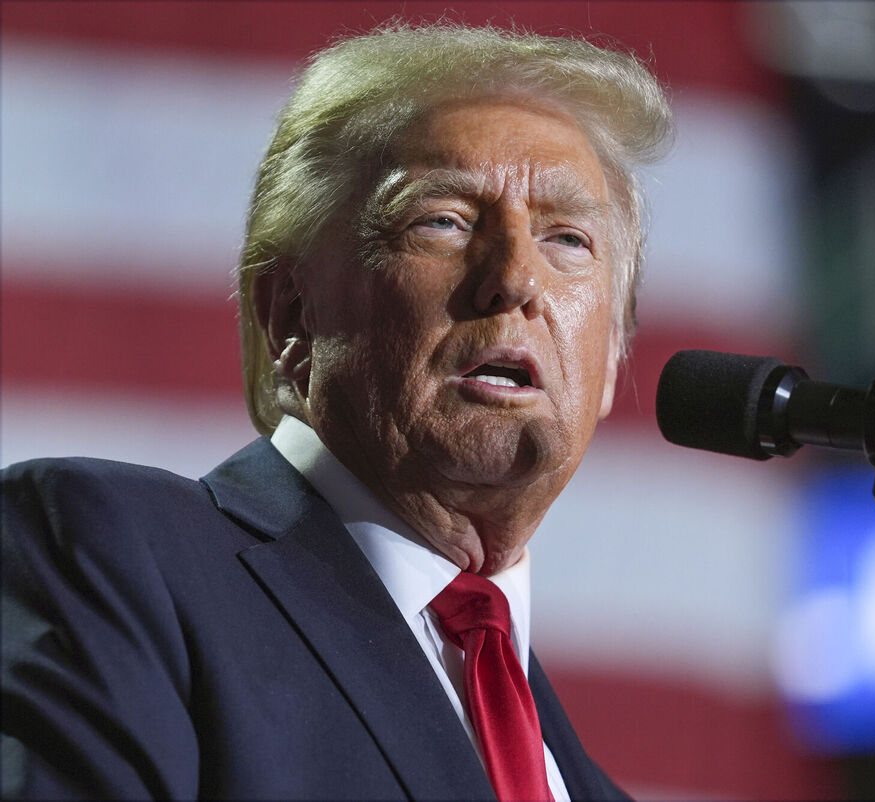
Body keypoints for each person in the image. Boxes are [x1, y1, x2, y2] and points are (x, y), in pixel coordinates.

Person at [1, 22, 672, 800]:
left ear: (614, 352)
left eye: (567, 238)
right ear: (291, 313)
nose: (516, 277)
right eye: (444, 220)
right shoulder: (113, 556)